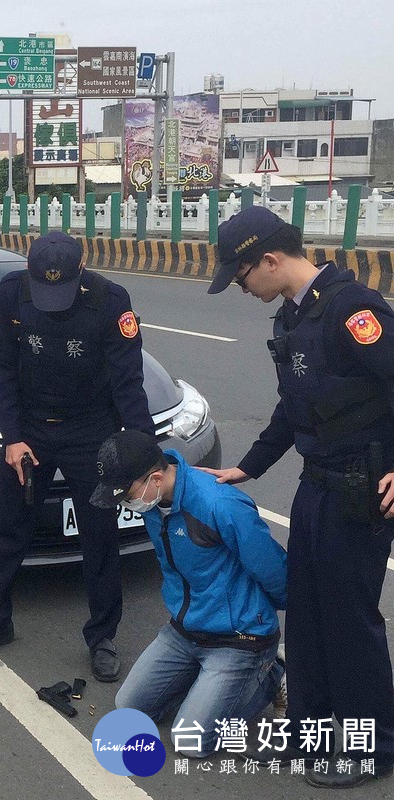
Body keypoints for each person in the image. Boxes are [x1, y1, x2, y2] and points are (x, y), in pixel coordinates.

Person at [205, 205, 394, 788]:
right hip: (317, 486)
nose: (241, 287)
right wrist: (248, 467)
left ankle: (377, 747)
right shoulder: (292, 320)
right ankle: (311, 731)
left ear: (268, 258)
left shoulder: (352, 308)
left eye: (241, 276)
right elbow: (294, 407)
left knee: (349, 619)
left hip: (363, 491)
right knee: (307, 615)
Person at [0, 231, 154, 682]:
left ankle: (102, 636)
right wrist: (11, 438)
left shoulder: (110, 301)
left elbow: (128, 380)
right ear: (28, 271)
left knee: (99, 537)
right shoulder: (11, 292)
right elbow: (2, 368)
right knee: (10, 529)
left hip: (90, 432)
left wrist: (140, 448)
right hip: (31, 433)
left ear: (81, 271)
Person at [90, 429, 287, 755]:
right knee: (128, 709)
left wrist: (262, 621)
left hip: (240, 639)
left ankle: (272, 674)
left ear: (155, 478)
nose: (125, 503)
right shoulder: (155, 502)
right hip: (185, 631)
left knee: (190, 742)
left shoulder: (218, 504)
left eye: (126, 494)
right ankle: (207, 683)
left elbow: (273, 568)